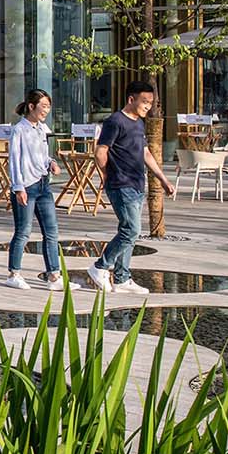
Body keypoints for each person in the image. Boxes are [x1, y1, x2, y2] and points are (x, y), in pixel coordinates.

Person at [87, 80, 174, 294]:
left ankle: (123, 278)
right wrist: (108, 175)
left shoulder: (138, 123)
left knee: (128, 232)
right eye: (145, 102)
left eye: (151, 102)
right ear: (131, 99)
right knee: (131, 230)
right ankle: (100, 266)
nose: (148, 106)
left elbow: (145, 153)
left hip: (136, 184)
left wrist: (163, 179)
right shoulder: (115, 121)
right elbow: (100, 152)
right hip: (120, 184)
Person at [6, 89, 61, 291]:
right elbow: (14, 161)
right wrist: (18, 188)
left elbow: (42, 155)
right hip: (26, 187)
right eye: (43, 106)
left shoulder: (41, 128)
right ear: (31, 106)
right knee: (23, 231)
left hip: (43, 184)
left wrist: (52, 162)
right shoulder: (19, 129)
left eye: (48, 106)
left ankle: (54, 276)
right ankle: (14, 273)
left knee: (51, 231)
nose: (46, 110)